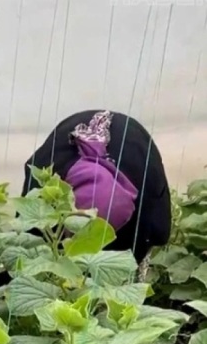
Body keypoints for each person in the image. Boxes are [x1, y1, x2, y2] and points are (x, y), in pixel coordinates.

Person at [23, 109, 171, 265]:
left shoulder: (145, 201)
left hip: (132, 143)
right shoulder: (43, 192)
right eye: (74, 229)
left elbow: (157, 234)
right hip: (66, 137)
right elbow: (25, 247)